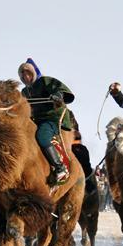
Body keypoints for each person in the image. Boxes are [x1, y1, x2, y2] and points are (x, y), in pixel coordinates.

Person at [18, 58, 75, 186]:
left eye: (28, 73)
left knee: (42, 135)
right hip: (34, 120)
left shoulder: (46, 81)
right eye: (23, 75)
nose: (26, 76)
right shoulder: (24, 92)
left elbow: (59, 89)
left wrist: (58, 96)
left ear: (33, 73)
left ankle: (60, 167)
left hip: (52, 119)